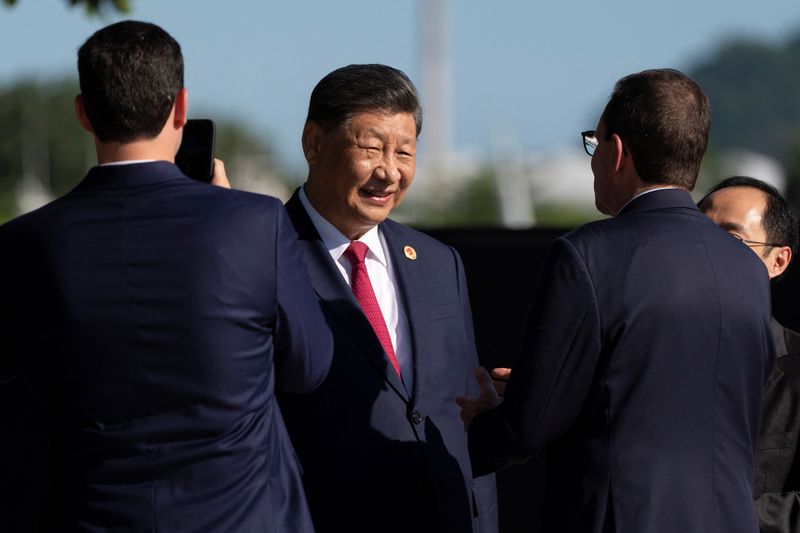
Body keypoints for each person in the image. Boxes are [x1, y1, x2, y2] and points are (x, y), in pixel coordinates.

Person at [0, 20, 332, 532]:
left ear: (83, 113)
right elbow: (309, 368)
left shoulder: (22, 243)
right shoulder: (254, 224)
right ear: (180, 106)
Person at [458, 68, 775, 532]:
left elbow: (531, 425)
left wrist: (478, 428)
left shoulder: (587, 255)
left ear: (617, 152)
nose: (592, 159)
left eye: (595, 142)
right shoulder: (747, 268)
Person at [276, 64, 497, 533]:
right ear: (314, 143)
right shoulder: (264, 256)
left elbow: (463, 413)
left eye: (404, 152)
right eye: (372, 148)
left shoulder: (440, 263)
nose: (389, 171)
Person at [699, 176, 800, 533]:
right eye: (695, 234)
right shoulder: (640, 355)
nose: (705, 250)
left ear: (779, 261)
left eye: (731, 240)